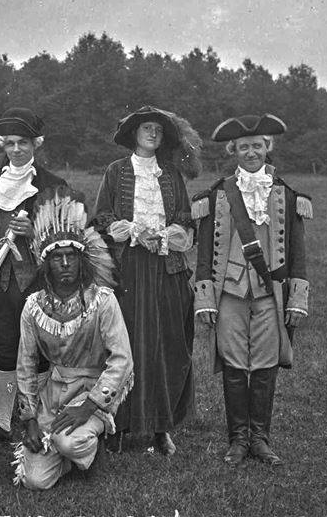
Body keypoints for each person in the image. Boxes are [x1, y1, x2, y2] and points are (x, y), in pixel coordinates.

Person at [192, 114, 311, 467]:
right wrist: (204, 298)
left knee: (265, 364)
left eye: (257, 146)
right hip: (229, 291)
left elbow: (298, 251)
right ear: (233, 151)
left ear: (267, 148)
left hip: (271, 292)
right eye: (243, 147)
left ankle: (260, 439)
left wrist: (298, 298)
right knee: (232, 363)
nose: (250, 153)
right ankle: (237, 441)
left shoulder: (287, 194)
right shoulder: (217, 194)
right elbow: (203, 253)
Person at [92, 105, 201, 455]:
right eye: (145, 128)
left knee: (166, 344)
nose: (152, 133)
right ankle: (119, 426)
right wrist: (136, 233)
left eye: (157, 129)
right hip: (128, 269)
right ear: (133, 134)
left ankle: (160, 427)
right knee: (125, 343)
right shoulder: (116, 171)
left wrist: (165, 237)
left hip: (167, 269)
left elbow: (186, 218)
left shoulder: (170, 174)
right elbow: (103, 217)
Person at [0, 107, 81, 445]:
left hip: (38, 282)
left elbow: (68, 238)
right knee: (5, 349)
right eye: (10, 144)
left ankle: (41, 418)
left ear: (36, 144)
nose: (16, 150)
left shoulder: (52, 184)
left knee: (41, 350)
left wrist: (34, 230)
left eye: (23, 143)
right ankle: (4, 424)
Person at [13, 193, 132, 489]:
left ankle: (90, 442)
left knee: (68, 441)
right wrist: (29, 419)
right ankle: (68, 454)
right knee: (34, 481)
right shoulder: (33, 306)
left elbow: (122, 360)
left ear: (83, 259)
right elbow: (25, 366)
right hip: (53, 394)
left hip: (92, 391)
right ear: (46, 263)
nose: (65, 263)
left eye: (72, 256)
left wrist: (90, 406)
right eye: (56, 257)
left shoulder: (102, 300)